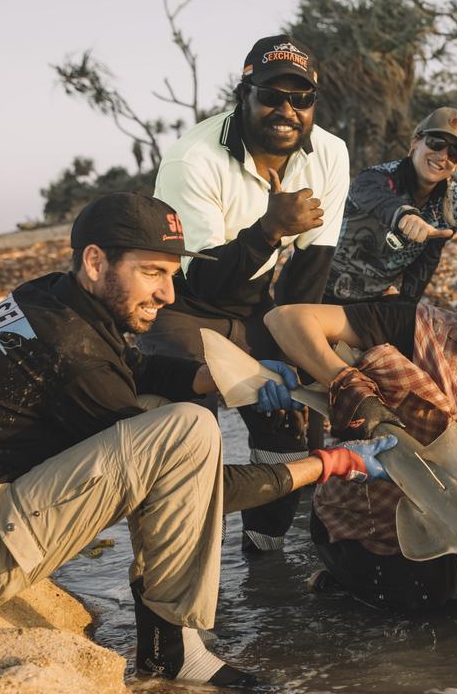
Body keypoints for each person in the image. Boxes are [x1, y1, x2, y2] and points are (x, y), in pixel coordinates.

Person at [0, 193, 376, 687]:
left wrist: (228, 377)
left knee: (158, 412)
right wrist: (328, 464)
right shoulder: (73, 356)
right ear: (96, 261)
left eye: (171, 274)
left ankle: (166, 646)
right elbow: (187, 487)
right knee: (186, 429)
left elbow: (137, 370)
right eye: (152, 273)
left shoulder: (50, 300)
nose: (169, 295)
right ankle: (174, 650)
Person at [265, 243, 457, 612]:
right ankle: (340, 578)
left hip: (449, 511)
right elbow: (285, 319)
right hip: (368, 519)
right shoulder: (418, 327)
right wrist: (346, 385)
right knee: (438, 614)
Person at [140, 34, 351, 553]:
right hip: (183, 308)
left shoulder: (329, 153)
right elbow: (207, 278)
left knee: (287, 425)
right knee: (189, 431)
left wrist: (288, 354)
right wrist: (269, 229)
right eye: (270, 96)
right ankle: (182, 556)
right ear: (244, 93)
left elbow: (310, 271)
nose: (286, 110)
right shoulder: (192, 159)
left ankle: (262, 557)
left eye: (300, 99)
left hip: (258, 307)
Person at [325, 108, 457, 303]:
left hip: (372, 303)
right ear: (415, 143)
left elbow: (427, 259)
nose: (443, 156)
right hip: (318, 289)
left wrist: (406, 305)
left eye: (455, 153)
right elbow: (371, 195)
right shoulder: (375, 177)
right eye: (436, 143)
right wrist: (405, 215)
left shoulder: (455, 200)